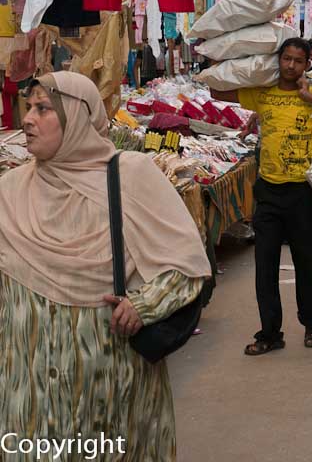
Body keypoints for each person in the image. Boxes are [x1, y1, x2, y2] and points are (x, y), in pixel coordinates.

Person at [0, 72, 211, 460]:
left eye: (43, 108)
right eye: (28, 107)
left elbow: (186, 266)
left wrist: (143, 304)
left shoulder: (129, 175)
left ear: (77, 117)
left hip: (110, 387)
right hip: (27, 392)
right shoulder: (10, 191)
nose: (28, 118)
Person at [214, 39, 312, 355]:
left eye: (297, 61)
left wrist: (306, 95)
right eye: (286, 59)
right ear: (278, 61)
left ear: (306, 65)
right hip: (269, 192)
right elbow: (216, 92)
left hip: (304, 194)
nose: (290, 65)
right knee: (265, 266)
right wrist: (246, 71)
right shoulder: (262, 94)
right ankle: (270, 333)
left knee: (306, 263)